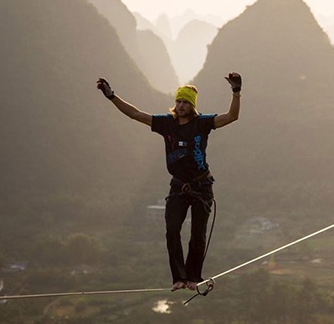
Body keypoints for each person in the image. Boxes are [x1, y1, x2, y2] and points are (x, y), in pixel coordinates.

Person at [96, 73, 241, 292]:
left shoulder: (202, 123)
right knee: (172, 229)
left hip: (202, 186)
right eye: (178, 101)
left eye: (185, 102)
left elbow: (232, 116)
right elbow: (135, 114)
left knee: (197, 233)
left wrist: (236, 91)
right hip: (178, 186)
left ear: (192, 106)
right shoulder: (166, 124)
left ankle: (193, 277)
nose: (180, 105)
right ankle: (179, 278)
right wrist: (111, 96)